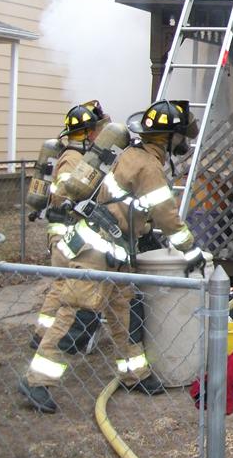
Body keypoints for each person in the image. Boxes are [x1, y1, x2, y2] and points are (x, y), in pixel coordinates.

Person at [20, 100, 204, 413]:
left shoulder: (135, 154)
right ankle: (36, 381)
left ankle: (135, 373)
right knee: (75, 315)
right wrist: (191, 250)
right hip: (95, 251)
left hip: (114, 251)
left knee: (123, 315)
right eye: (180, 136)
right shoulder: (148, 166)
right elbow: (165, 215)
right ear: (169, 137)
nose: (183, 143)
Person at [31, 100, 108, 353]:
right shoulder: (73, 159)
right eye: (94, 131)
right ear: (86, 134)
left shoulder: (72, 154)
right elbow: (67, 195)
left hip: (64, 230)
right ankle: (45, 337)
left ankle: (43, 334)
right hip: (64, 231)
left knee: (62, 285)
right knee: (64, 286)